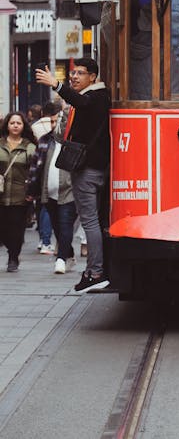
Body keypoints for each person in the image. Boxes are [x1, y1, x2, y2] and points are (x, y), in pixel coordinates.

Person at [35, 58, 111, 292]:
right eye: (73, 73)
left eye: (80, 73)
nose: (74, 77)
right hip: (95, 169)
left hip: (88, 170)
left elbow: (80, 101)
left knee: (89, 222)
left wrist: (56, 85)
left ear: (93, 77)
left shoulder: (95, 97)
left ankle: (96, 272)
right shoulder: (96, 97)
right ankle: (97, 269)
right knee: (94, 221)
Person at [27, 108, 77, 274]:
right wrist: (32, 190)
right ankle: (68, 253)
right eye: (53, 122)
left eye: (60, 121)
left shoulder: (73, 142)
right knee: (57, 227)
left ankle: (61, 259)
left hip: (69, 193)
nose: (56, 125)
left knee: (65, 224)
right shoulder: (45, 141)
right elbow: (36, 167)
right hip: (48, 193)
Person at [0, 112, 37, 272]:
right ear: (7, 125)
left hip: (20, 195)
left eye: (18, 123)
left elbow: (35, 171)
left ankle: (13, 257)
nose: (15, 126)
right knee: (2, 229)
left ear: (23, 126)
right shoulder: (0, 144)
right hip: (1, 195)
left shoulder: (30, 147)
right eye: (12, 123)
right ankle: (11, 250)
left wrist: (32, 192)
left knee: (17, 229)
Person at [32, 101, 62, 253]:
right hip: (49, 179)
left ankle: (45, 241)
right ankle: (51, 242)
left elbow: (36, 162)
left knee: (45, 209)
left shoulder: (36, 128)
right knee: (49, 209)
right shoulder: (50, 137)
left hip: (44, 178)